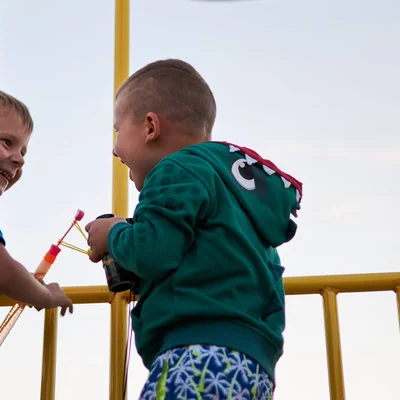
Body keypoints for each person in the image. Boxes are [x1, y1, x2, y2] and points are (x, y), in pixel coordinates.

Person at [85, 59, 302, 400]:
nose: (115, 148)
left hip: (197, 355)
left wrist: (112, 234)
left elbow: (153, 252)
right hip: (251, 364)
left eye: (117, 130)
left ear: (150, 127)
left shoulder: (175, 170)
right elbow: (205, 263)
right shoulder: (235, 192)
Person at [0, 88, 74, 399]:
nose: (18, 159)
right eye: (7, 142)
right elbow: (0, 269)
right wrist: (45, 295)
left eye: (24, 152)